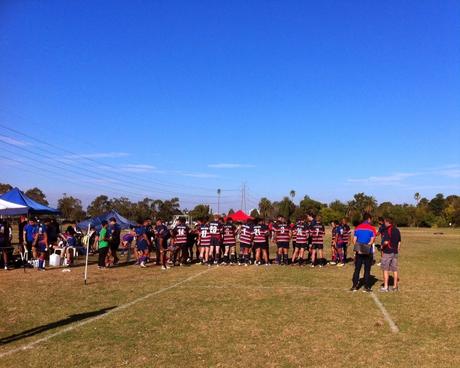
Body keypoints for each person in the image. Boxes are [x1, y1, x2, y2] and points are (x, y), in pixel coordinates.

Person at [350, 213, 376, 292]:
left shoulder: (357, 227)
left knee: (357, 269)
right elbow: (372, 241)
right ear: (368, 219)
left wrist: (359, 249)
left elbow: (354, 240)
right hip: (368, 251)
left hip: (359, 251)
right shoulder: (372, 228)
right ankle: (366, 287)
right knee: (367, 269)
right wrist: (366, 247)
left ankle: (354, 286)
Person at [380, 217, 401, 292]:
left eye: (385, 222)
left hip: (387, 252)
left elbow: (386, 242)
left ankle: (386, 287)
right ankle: (395, 286)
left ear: (388, 222)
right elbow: (399, 242)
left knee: (385, 269)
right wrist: (397, 249)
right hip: (395, 252)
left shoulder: (387, 230)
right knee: (395, 270)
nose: (384, 224)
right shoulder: (397, 230)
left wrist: (382, 246)